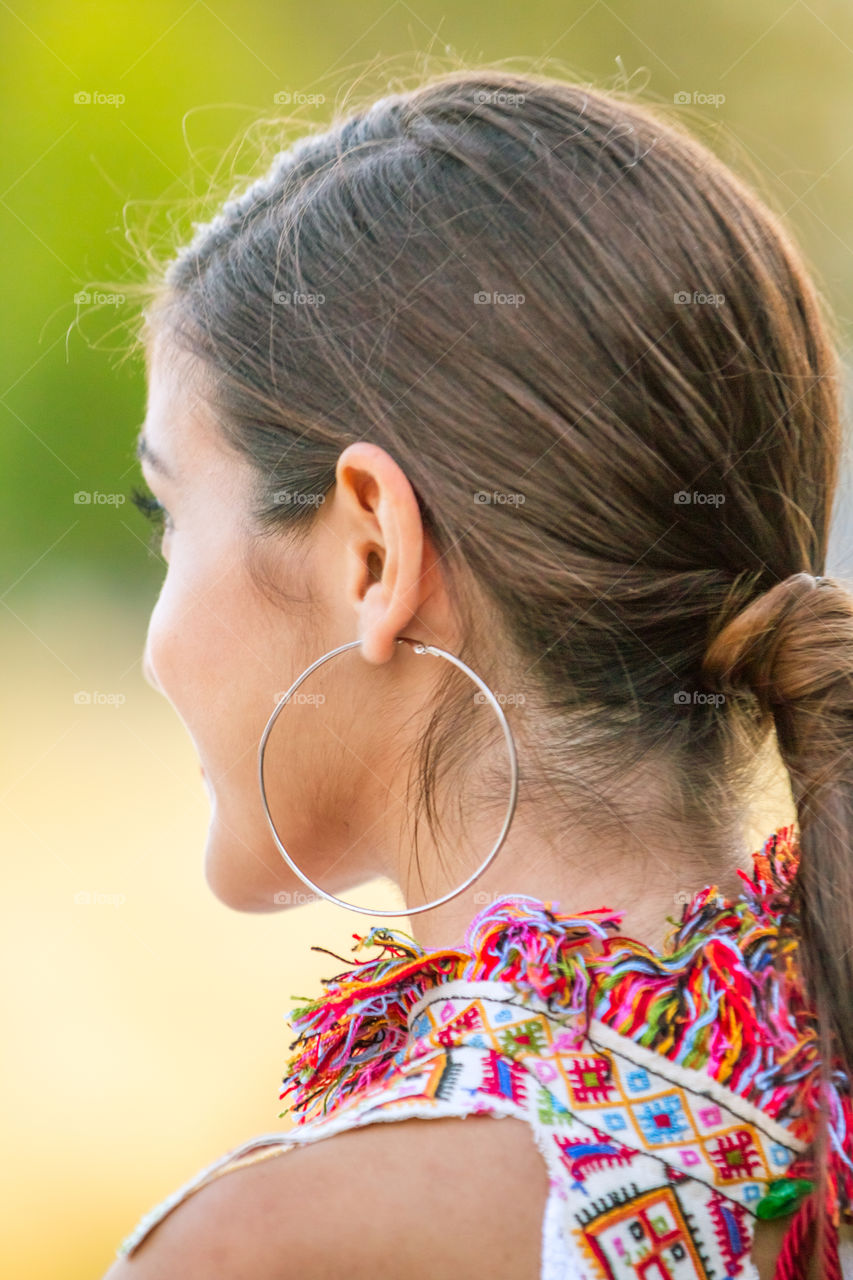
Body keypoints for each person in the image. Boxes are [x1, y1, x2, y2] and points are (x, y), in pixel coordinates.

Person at [103, 68, 853, 1280]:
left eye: (166, 516)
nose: (151, 640)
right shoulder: (817, 1124)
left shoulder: (285, 1248)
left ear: (372, 551)